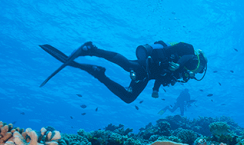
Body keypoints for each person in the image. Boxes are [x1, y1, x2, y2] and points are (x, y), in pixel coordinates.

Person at [39, 41, 207, 103]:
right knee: (127, 65)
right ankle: (92, 50)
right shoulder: (191, 56)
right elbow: (188, 56)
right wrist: (178, 65)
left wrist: (155, 90)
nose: (194, 73)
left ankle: (98, 73)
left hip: (148, 74)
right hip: (149, 63)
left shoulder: (179, 69)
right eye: (198, 71)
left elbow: (161, 76)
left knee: (128, 97)